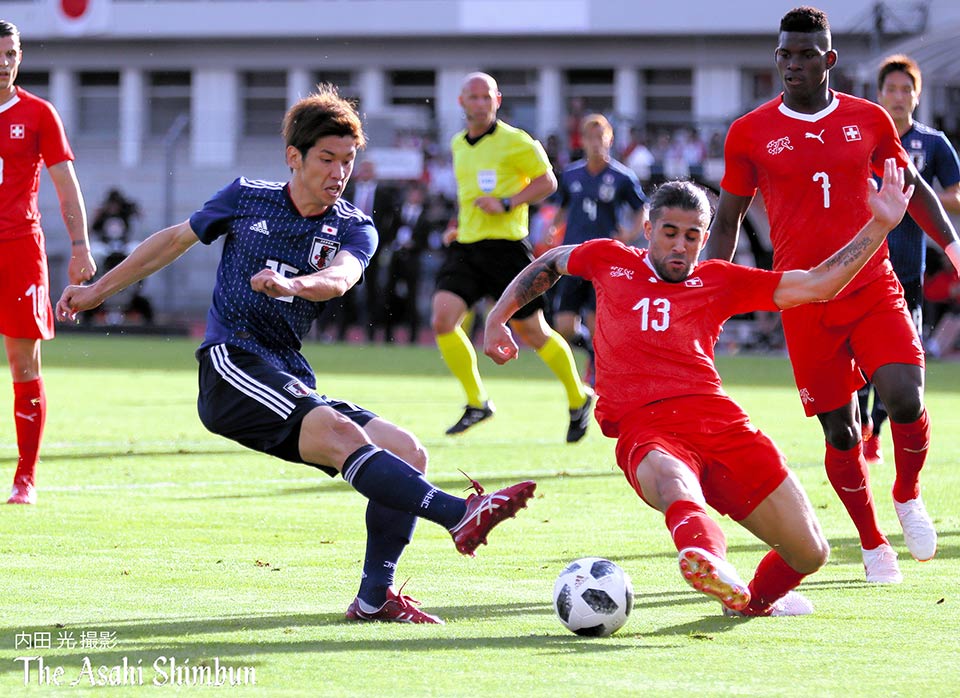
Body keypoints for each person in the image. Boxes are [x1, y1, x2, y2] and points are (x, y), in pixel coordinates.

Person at [57, 84, 536, 624]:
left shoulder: (354, 225)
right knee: (339, 433)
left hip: (287, 373)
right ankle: (457, 515)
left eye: (348, 162)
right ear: (295, 158)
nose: (339, 173)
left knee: (408, 452)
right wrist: (97, 293)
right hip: (231, 363)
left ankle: (374, 599)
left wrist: (295, 285)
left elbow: (341, 278)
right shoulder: (247, 196)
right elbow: (173, 240)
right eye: (327, 159)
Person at [485, 161, 913, 617]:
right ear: (648, 228)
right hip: (645, 429)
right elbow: (551, 262)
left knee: (810, 552)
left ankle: (753, 603)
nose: (680, 245)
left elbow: (816, 284)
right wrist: (497, 318)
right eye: (669, 232)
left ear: (704, 239)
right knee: (674, 482)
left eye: (692, 236)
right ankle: (707, 557)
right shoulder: (611, 260)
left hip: (720, 424)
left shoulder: (719, 281)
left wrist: (879, 224)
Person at [708, 6, 960, 582]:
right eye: (785, 55)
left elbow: (913, 187)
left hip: (871, 285)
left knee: (904, 395)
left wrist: (953, 247)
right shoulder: (748, 132)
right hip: (801, 299)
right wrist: (707, 293)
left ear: (829, 59)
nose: (793, 64)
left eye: (805, 54)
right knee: (840, 430)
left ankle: (906, 494)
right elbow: (727, 220)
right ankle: (873, 543)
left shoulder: (869, 119)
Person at [432, 72, 592, 442]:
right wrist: (459, 224)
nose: (480, 103)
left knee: (533, 333)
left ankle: (577, 396)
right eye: (473, 97)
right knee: (443, 319)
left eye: (486, 96)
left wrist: (507, 202)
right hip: (467, 246)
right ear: (461, 102)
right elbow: (470, 193)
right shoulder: (458, 144)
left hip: (506, 248)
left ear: (497, 100)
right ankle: (477, 402)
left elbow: (548, 182)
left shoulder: (516, 141)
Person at [0, 20, 96, 505]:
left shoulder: (38, 114)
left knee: (22, 362)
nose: (4, 62)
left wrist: (79, 246)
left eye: (11, 53)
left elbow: (66, 185)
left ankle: (25, 478)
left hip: (18, 249)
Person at [858, 54, 960, 465]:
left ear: (917, 97)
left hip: (908, 271)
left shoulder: (932, 143)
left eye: (906, 90)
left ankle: (877, 430)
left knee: (902, 357)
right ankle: (861, 424)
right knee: (860, 353)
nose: (898, 97)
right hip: (861, 266)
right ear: (879, 94)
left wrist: (917, 199)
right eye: (891, 89)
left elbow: (956, 193)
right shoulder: (860, 139)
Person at [546, 114, 648, 385]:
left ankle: (596, 372)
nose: (595, 144)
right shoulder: (571, 174)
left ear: (610, 140)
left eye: (600, 138)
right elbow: (563, 207)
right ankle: (593, 352)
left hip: (604, 262)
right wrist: (553, 227)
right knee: (564, 327)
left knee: (595, 322)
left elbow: (641, 210)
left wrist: (628, 234)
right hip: (573, 256)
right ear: (583, 141)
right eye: (590, 138)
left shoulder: (622, 177)